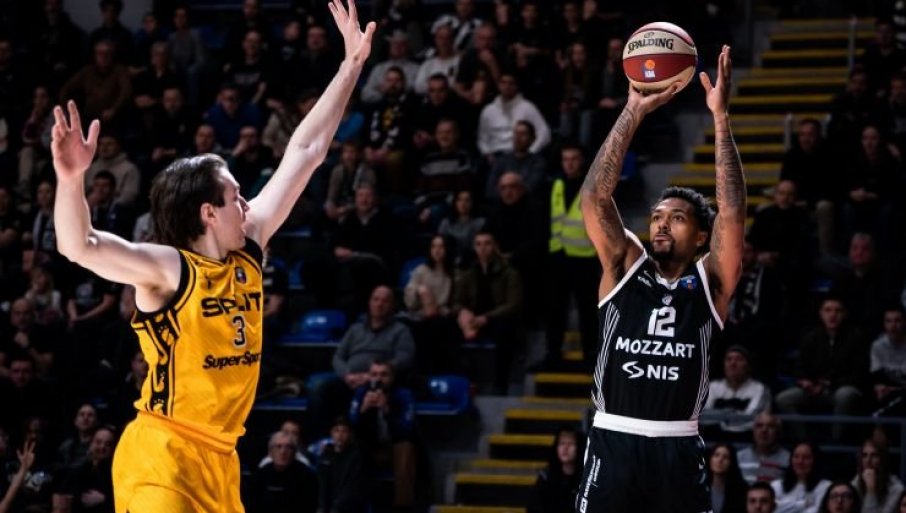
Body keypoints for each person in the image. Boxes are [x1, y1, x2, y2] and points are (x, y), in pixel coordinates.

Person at [49, 2, 375, 511]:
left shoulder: (248, 247)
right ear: (208, 213)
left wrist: (350, 66)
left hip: (221, 461)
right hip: (162, 454)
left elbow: (306, 152)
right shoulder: (168, 270)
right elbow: (79, 246)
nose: (248, 204)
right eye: (237, 197)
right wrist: (70, 181)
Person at [575, 46, 745, 513]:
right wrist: (633, 108)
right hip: (614, 436)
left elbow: (732, 212)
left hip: (677, 445)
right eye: (656, 216)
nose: (662, 224)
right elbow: (593, 199)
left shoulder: (710, 281)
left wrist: (721, 119)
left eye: (677, 218)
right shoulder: (624, 266)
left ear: (702, 237)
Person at [701, 345, 771, 440]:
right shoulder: (712, 387)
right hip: (714, 439)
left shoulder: (759, 389)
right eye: (729, 359)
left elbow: (752, 418)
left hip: (746, 439)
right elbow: (703, 416)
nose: (733, 363)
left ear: (748, 366)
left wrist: (721, 418)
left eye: (739, 359)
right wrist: (731, 414)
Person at [530, 426, 585, 513]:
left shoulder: (585, 478)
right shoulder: (546, 477)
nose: (565, 448)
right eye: (562, 443)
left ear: (579, 448)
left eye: (571, 443)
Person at [770, 441, 831, 513]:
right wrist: (803, 504)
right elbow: (771, 508)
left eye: (806, 457)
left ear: (815, 460)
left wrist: (784, 505)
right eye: (796, 456)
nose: (800, 462)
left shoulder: (825, 487)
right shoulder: (777, 485)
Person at [851, 438, 903, 513]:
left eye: (874, 455)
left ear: (882, 459)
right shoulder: (857, 481)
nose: (868, 460)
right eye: (864, 455)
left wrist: (870, 490)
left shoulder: (896, 489)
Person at [738, 412, 791, 485]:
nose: (764, 430)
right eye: (759, 426)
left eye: (770, 426)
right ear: (753, 431)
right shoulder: (739, 458)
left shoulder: (789, 460)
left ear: (778, 432)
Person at [709, 442, 749, 513]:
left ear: (731, 462)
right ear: (710, 459)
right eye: (716, 455)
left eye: (725, 457)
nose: (720, 460)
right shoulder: (698, 488)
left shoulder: (742, 491)